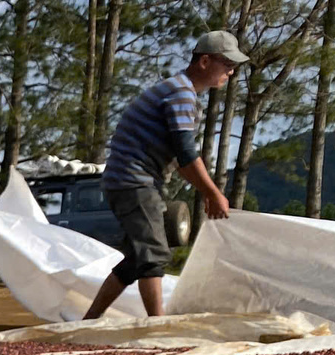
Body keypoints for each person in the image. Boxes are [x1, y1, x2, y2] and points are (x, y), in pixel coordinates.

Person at [84, 32, 246, 320]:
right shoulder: (181, 95)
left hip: (128, 180)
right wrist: (212, 193)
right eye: (228, 65)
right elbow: (185, 153)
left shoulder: (180, 92)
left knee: (137, 258)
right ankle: (157, 326)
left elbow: (182, 162)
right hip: (133, 180)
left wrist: (205, 190)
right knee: (154, 253)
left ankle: (89, 320)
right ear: (205, 61)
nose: (231, 73)